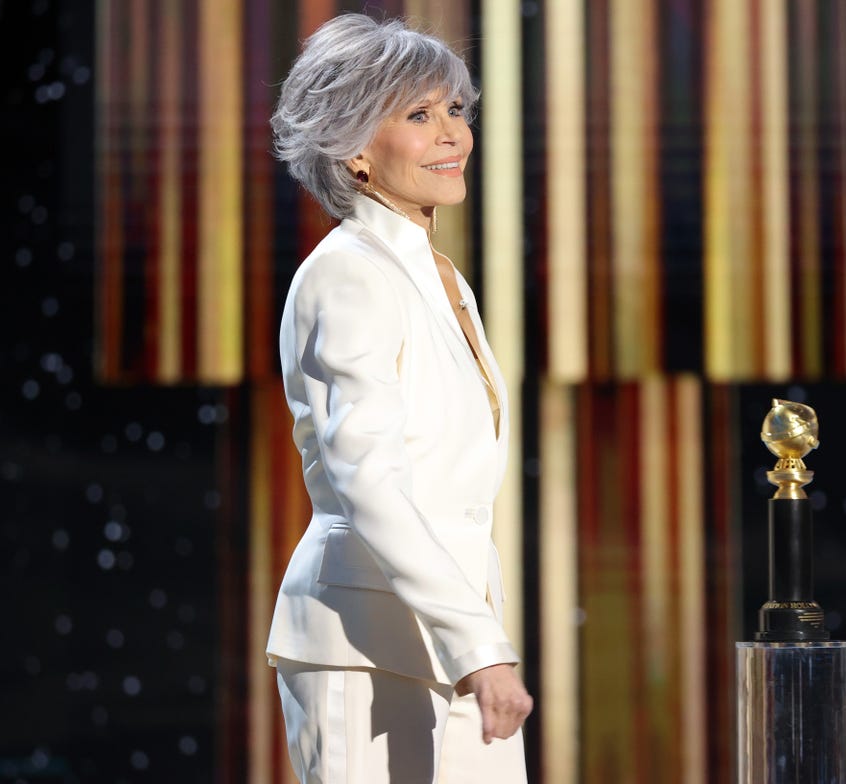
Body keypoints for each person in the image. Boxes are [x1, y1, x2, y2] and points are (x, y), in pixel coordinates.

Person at [265, 13, 532, 784]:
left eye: (456, 111)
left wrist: (479, 641)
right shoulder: (348, 271)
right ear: (352, 151)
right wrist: (477, 649)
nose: (452, 133)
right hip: (365, 646)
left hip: (458, 641)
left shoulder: (438, 274)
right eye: (420, 115)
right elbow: (369, 479)